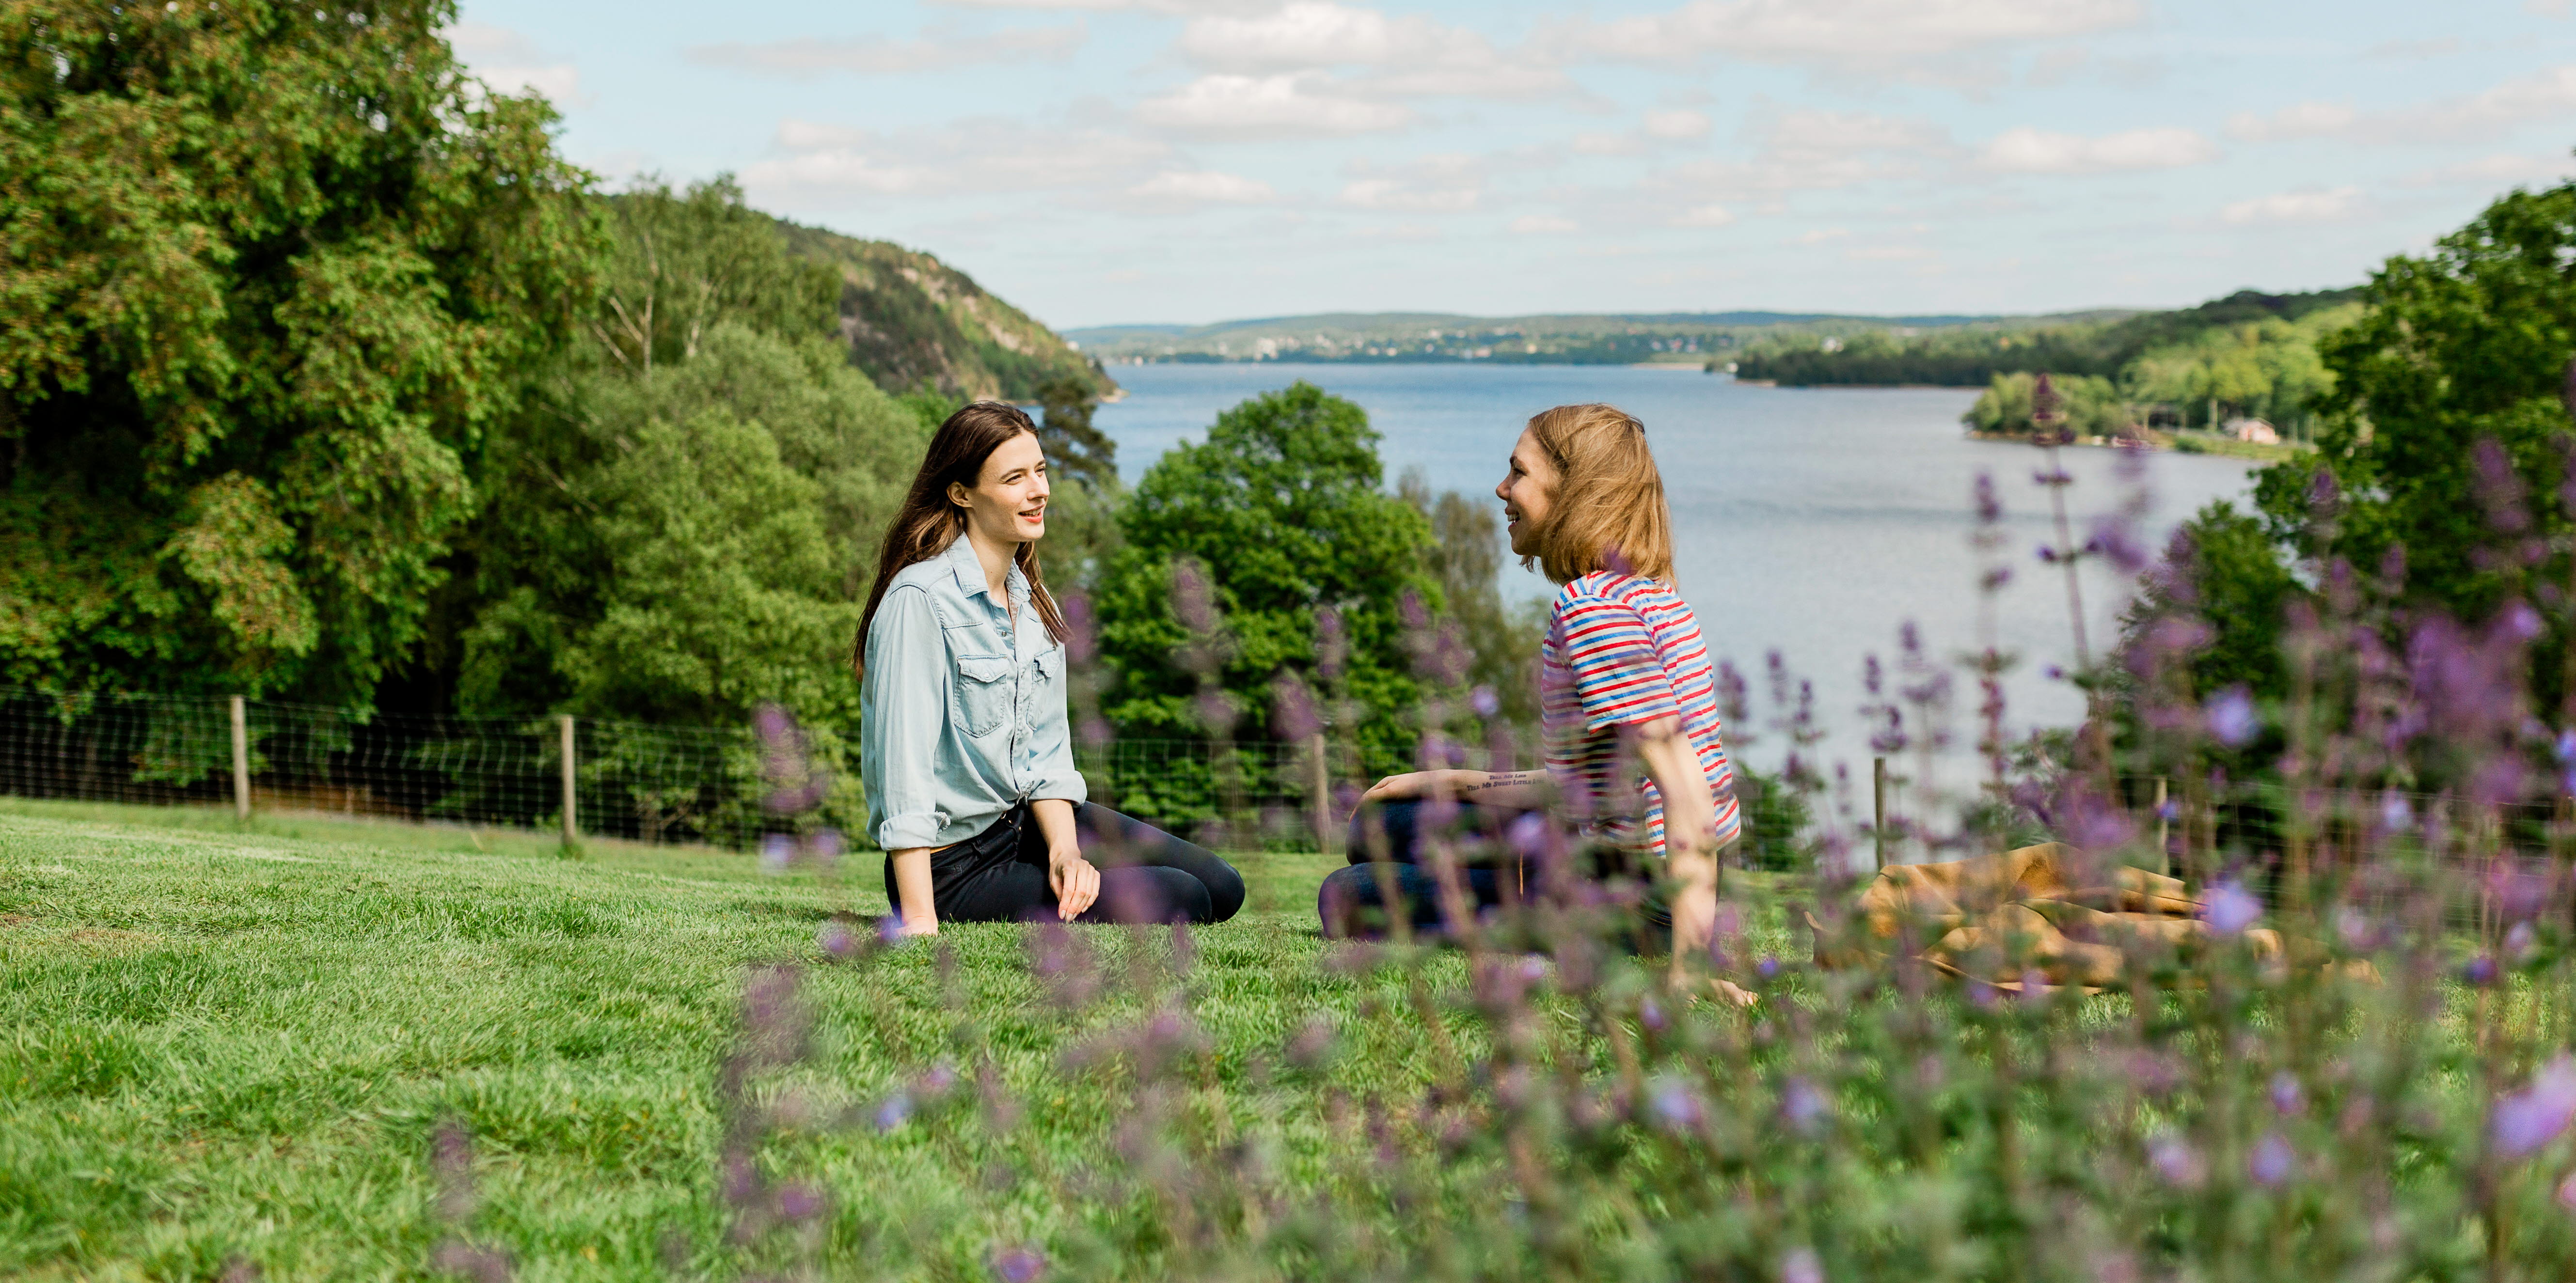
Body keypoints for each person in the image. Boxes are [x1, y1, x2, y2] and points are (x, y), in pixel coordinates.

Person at [1319, 403, 1741, 976]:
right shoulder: (1651, 596)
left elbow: (1686, 787)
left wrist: (1691, 970)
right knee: (1387, 820)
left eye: (1518, 472)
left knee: (1346, 894)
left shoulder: (1593, 609)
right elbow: (1604, 780)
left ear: (1573, 491)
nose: (1501, 488)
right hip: (1652, 879)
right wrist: (1444, 782)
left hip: (1638, 905)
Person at [855, 402, 1244, 935]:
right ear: (960, 493)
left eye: (1040, 470)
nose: (1038, 490)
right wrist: (920, 915)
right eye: (1014, 478)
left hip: (1025, 825)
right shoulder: (919, 600)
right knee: (1183, 896)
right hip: (952, 868)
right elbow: (902, 769)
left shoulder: (1038, 607)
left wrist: (1065, 852)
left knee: (1222, 885)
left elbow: (1046, 755)